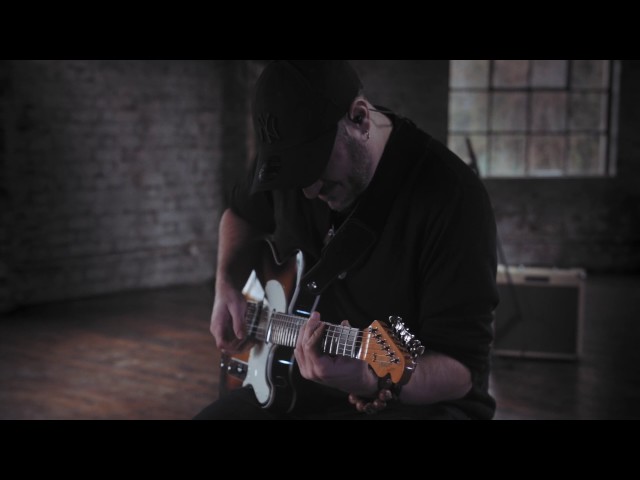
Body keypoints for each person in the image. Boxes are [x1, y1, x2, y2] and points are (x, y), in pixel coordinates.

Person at [194, 60, 499, 420]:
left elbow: (460, 370)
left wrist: (371, 380)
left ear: (359, 118)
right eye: (296, 175)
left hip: (411, 397)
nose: (309, 191)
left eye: (314, 166)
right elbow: (240, 214)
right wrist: (226, 285)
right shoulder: (286, 161)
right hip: (290, 382)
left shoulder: (453, 199)